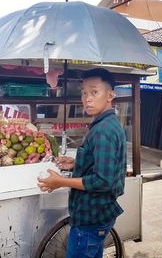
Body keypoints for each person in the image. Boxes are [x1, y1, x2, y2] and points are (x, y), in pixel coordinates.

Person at [37, 68, 127, 258]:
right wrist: (76, 163)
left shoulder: (104, 130)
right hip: (98, 215)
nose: (87, 98)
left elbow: (103, 181)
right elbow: (101, 162)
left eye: (94, 92)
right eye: (84, 92)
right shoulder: (103, 124)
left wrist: (61, 182)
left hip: (91, 218)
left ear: (110, 95)